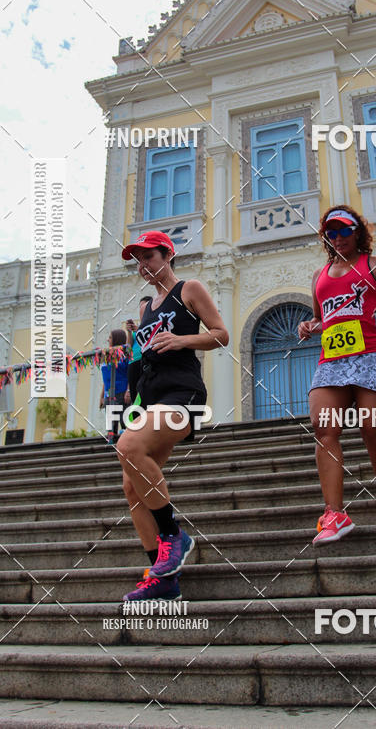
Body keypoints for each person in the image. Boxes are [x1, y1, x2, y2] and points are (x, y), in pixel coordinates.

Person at [117, 231, 229, 602]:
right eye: (138, 260)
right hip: (150, 398)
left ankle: (173, 535)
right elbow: (140, 357)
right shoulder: (146, 309)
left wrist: (181, 340)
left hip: (184, 394)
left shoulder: (188, 289)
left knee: (128, 446)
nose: (143, 265)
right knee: (131, 485)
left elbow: (221, 334)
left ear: (168, 255)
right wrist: (132, 393)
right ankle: (163, 577)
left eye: (148, 256)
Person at [298, 205, 376, 545]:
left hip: (374, 353)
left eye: (344, 230)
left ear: (358, 231)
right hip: (332, 360)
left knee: (372, 428)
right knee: (323, 428)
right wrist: (309, 326)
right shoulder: (319, 276)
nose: (338, 237)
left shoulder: (375, 266)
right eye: (331, 233)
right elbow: (322, 319)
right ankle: (335, 514)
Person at [99, 329, 131, 444]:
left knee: (124, 422)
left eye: (110, 337)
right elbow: (106, 378)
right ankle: (112, 445)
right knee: (111, 427)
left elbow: (129, 374)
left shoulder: (125, 355)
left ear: (117, 339)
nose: (108, 340)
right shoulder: (106, 356)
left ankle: (126, 445)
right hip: (108, 394)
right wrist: (101, 396)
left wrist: (128, 390)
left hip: (122, 392)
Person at [125, 296, 153, 406]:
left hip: (144, 360)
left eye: (144, 306)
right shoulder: (138, 327)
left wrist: (139, 329)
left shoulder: (151, 323)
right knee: (134, 393)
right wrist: (129, 332)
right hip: (133, 361)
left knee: (144, 390)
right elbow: (128, 348)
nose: (141, 309)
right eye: (140, 307)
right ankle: (137, 413)